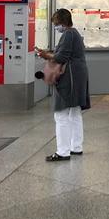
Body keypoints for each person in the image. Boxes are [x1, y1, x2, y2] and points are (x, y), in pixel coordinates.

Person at [37, 9, 90, 162]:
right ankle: (76, 147)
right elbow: (65, 52)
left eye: (56, 24)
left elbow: (61, 57)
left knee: (60, 114)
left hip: (70, 78)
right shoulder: (75, 33)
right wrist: (49, 52)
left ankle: (63, 151)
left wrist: (45, 55)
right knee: (74, 112)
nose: (55, 27)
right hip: (78, 76)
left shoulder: (68, 34)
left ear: (61, 22)